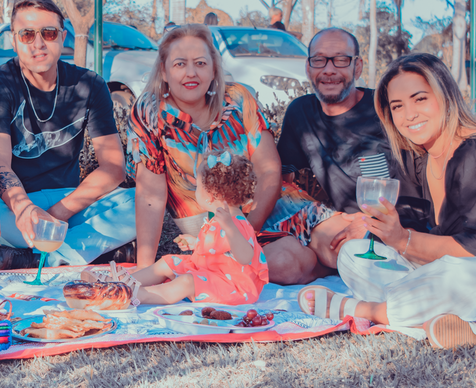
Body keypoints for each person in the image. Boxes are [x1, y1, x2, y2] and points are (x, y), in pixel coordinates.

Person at [299, 53, 476, 348]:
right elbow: (412, 232)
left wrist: (403, 240)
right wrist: (384, 231)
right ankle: (472, 328)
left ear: (444, 95)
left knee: (455, 275)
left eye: (420, 99)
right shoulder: (419, 157)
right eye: (397, 106)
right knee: (354, 256)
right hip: (465, 275)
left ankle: (369, 311)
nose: (409, 115)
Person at [128, 24, 335, 285]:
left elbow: (268, 170)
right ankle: (324, 269)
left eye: (201, 63)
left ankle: (332, 262)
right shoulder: (149, 112)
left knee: (340, 240)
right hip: (216, 227)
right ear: (164, 71)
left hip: (271, 206)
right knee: (284, 264)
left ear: (214, 69)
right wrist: (144, 270)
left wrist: (249, 230)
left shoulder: (238, 99)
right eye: (180, 64)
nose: (191, 73)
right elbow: (150, 195)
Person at [0, 0, 136, 269]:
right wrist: (26, 209)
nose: (38, 43)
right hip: (15, 205)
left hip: (70, 201)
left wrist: (56, 215)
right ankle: (90, 250)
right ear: (14, 41)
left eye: (49, 33)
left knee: (142, 202)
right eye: (27, 34)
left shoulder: (89, 84)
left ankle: (40, 258)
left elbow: (113, 168)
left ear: (63, 38)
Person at [273, 27, 426, 276]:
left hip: (398, 227)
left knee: (354, 251)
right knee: (284, 261)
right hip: (342, 225)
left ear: (357, 67)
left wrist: (372, 223)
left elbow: (419, 192)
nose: (329, 70)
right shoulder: (301, 113)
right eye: (319, 60)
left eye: (341, 60)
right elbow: (283, 177)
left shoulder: (386, 110)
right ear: (308, 68)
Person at [87, 152, 267, 306]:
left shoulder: (235, 223)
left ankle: (137, 294)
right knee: (168, 261)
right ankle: (124, 282)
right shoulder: (222, 218)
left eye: (198, 186)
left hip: (232, 286)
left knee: (187, 282)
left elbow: (245, 257)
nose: (195, 190)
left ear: (212, 196)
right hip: (213, 273)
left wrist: (230, 228)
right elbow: (223, 250)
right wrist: (196, 243)